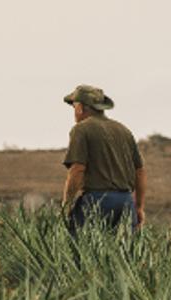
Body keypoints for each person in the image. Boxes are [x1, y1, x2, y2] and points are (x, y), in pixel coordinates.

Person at [61, 85, 147, 234]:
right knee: (123, 255)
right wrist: (138, 207)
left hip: (96, 201)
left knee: (82, 252)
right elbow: (139, 171)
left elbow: (77, 169)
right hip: (125, 202)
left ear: (80, 108)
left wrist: (67, 205)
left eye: (74, 106)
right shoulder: (123, 130)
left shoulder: (81, 129)